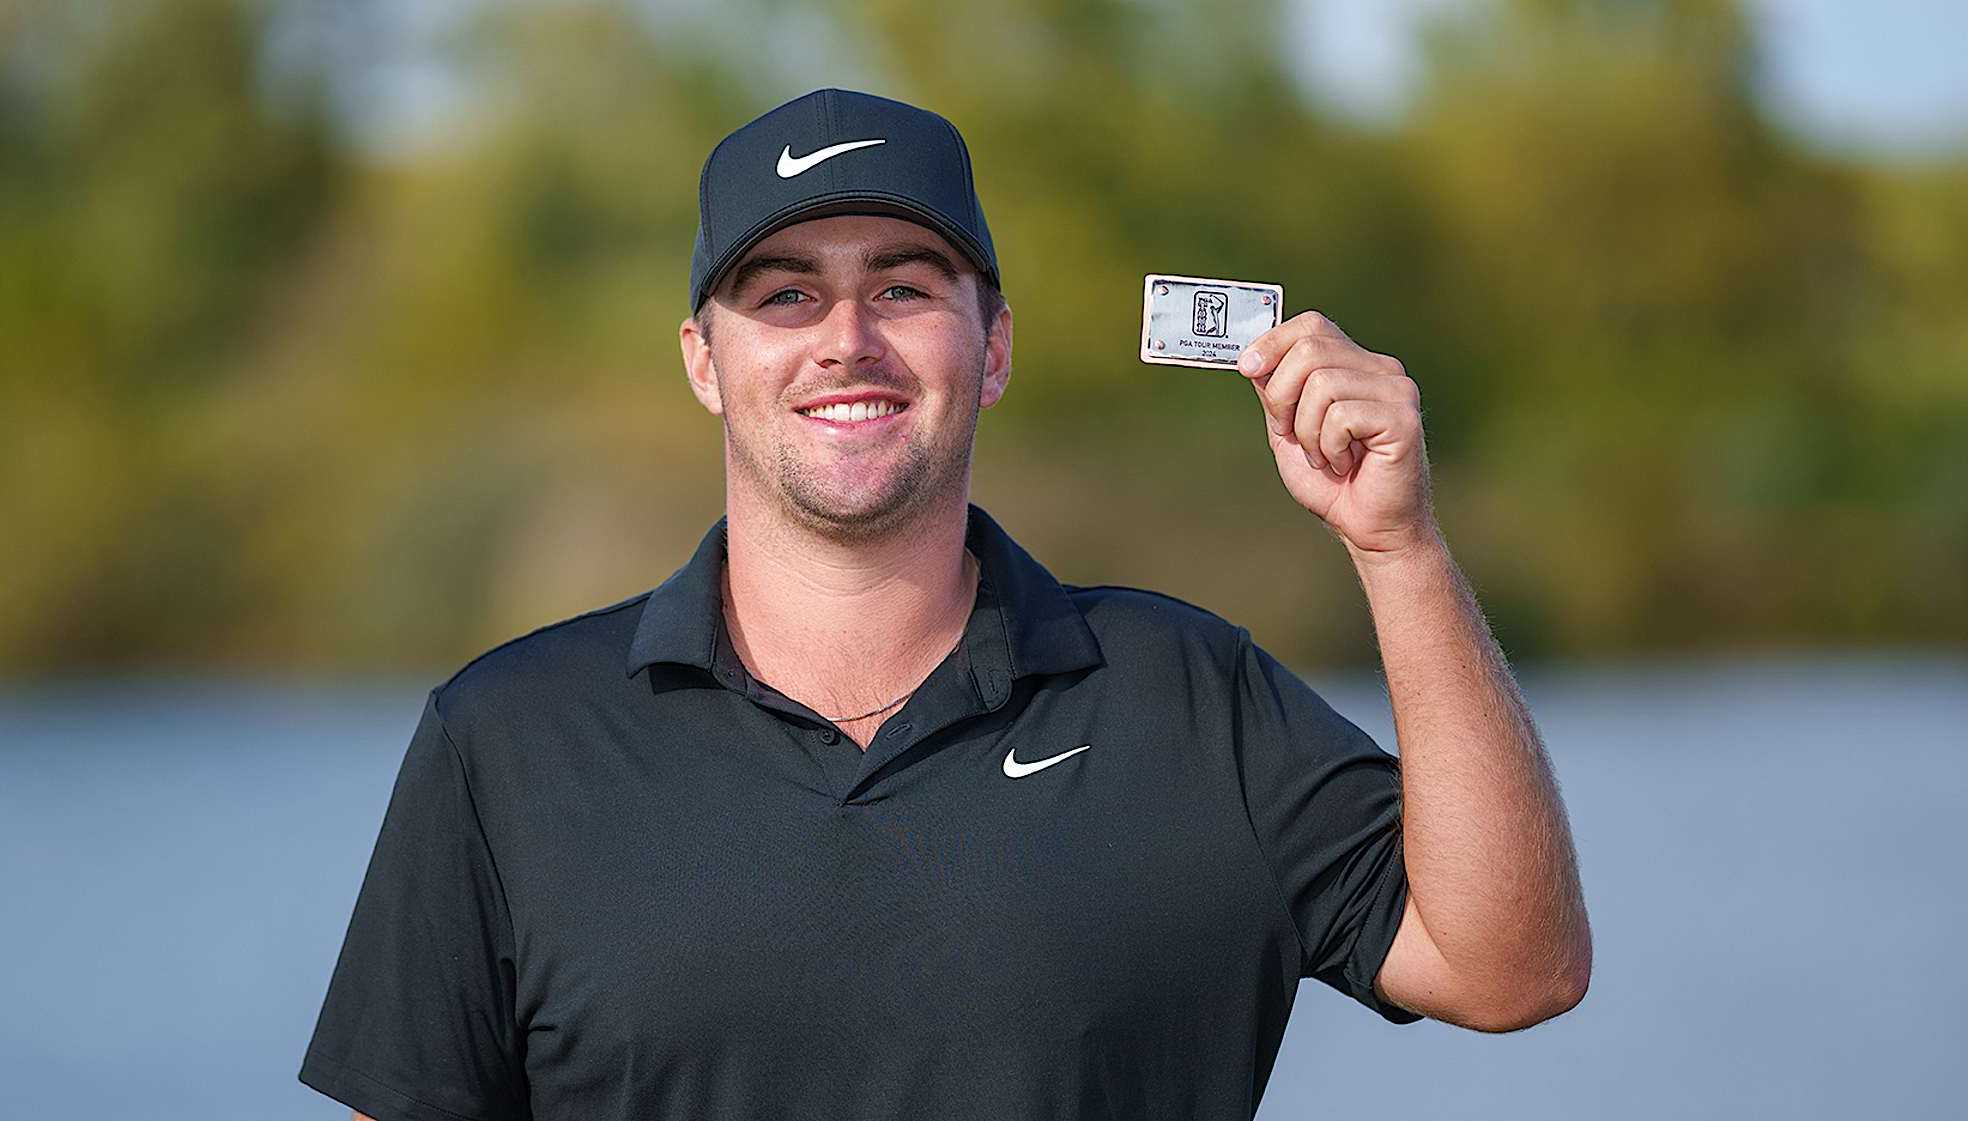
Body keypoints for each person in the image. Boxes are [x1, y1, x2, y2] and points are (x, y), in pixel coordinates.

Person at [300, 88, 1590, 1121]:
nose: (846, 337)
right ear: (706, 361)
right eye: (784, 293)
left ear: (997, 346)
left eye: (906, 286)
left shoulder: (1188, 692)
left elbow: (1512, 967)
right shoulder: (508, 738)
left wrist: (1401, 547)